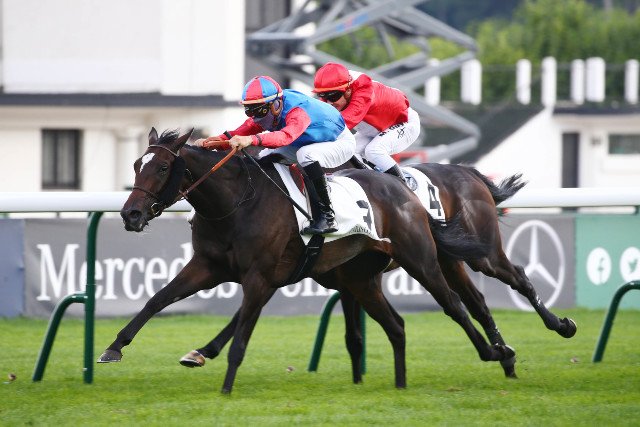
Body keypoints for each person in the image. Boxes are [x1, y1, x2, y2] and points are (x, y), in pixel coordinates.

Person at [194, 75, 356, 235]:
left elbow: (286, 137)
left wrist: (252, 139)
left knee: (306, 155)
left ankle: (328, 217)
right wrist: (212, 142)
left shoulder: (297, 111)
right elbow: (239, 132)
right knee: (264, 158)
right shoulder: (267, 108)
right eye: (250, 111)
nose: (255, 117)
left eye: (260, 110)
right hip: (304, 141)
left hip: (338, 141)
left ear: (276, 105)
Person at [312, 62, 421, 182]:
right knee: (350, 152)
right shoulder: (340, 88)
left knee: (374, 151)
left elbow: (342, 123)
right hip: (373, 131)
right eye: (323, 96)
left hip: (404, 123)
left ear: (348, 90)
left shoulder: (364, 91)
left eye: (333, 96)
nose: (329, 102)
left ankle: (405, 185)